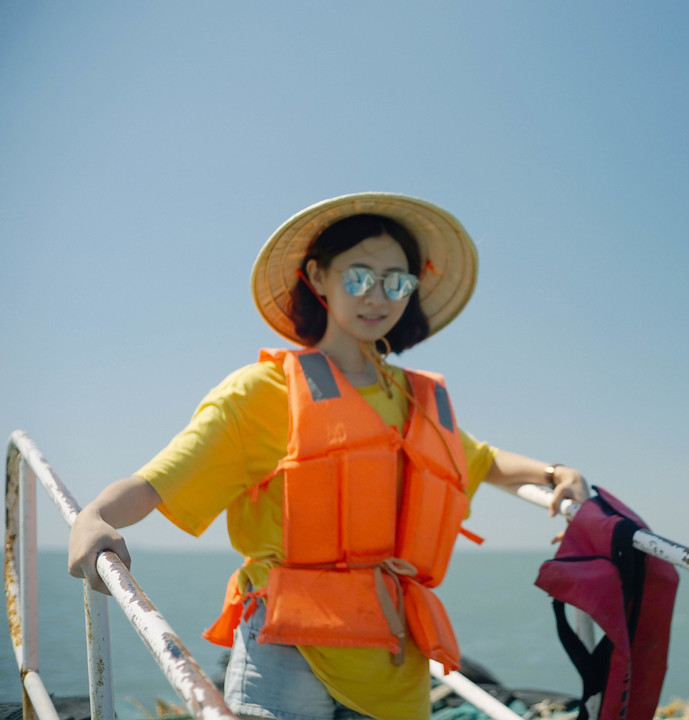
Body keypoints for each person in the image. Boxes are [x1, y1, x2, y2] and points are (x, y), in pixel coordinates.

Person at [67, 193, 589, 720]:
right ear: (318, 278)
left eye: (398, 281)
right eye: (359, 277)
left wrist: (555, 473)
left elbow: (482, 459)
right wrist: (96, 517)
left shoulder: (417, 401)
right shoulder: (266, 390)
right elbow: (161, 478)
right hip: (288, 646)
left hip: (392, 655)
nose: (378, 297)